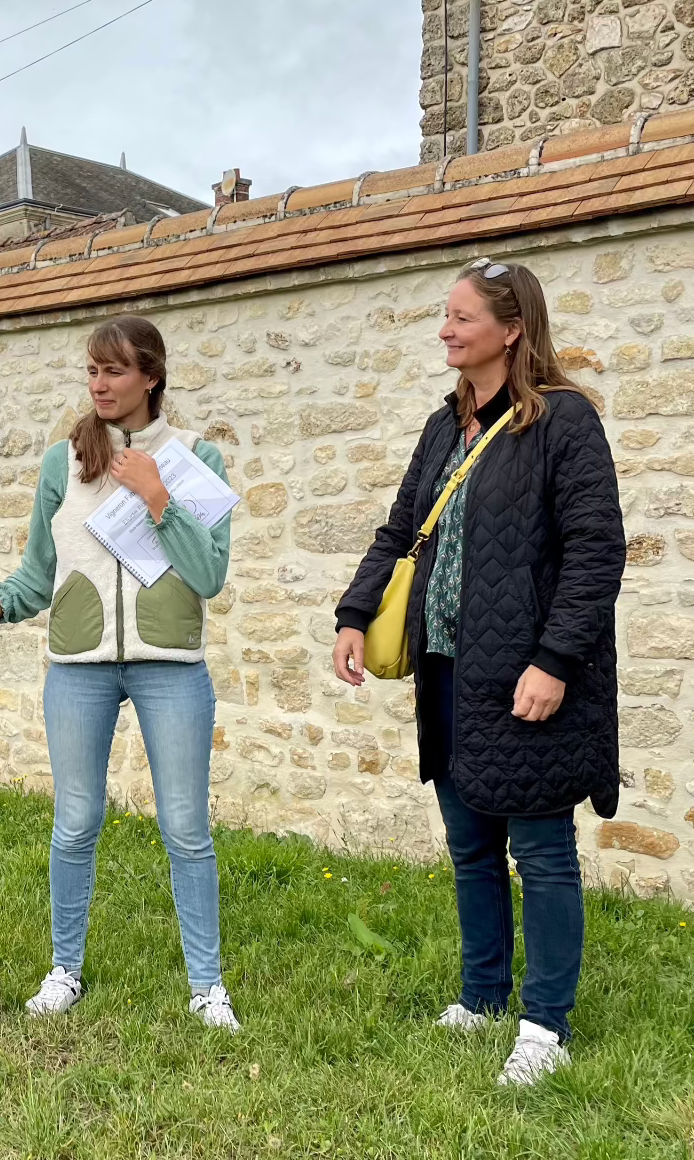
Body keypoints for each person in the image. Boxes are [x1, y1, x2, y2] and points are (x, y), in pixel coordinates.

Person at [332, 258, 624, 1086]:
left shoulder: (565, 423)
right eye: (446, 316)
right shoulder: (444, 424)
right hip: (448, 667)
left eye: (462, 318)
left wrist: (555, 662)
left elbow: (596, 553)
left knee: (540, 848)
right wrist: (355, 614)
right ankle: (483, 995)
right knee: (470, 845)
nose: (446, 330)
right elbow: (400, 531)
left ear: (512, 328)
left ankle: (544, 1024)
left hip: (528, 674)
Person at [0, 315, 240, 1030]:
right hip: (79, 669)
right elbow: (38, 573)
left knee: (186, 828)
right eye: (92, 371)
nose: (99, 384)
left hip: (171, 669)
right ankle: (64, 970)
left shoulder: (196, 459)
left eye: (115, 371)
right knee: (75, 823)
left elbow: (210, 574)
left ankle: (206, 985)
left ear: (150, 376)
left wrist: (157, 497)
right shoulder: (64, 462)